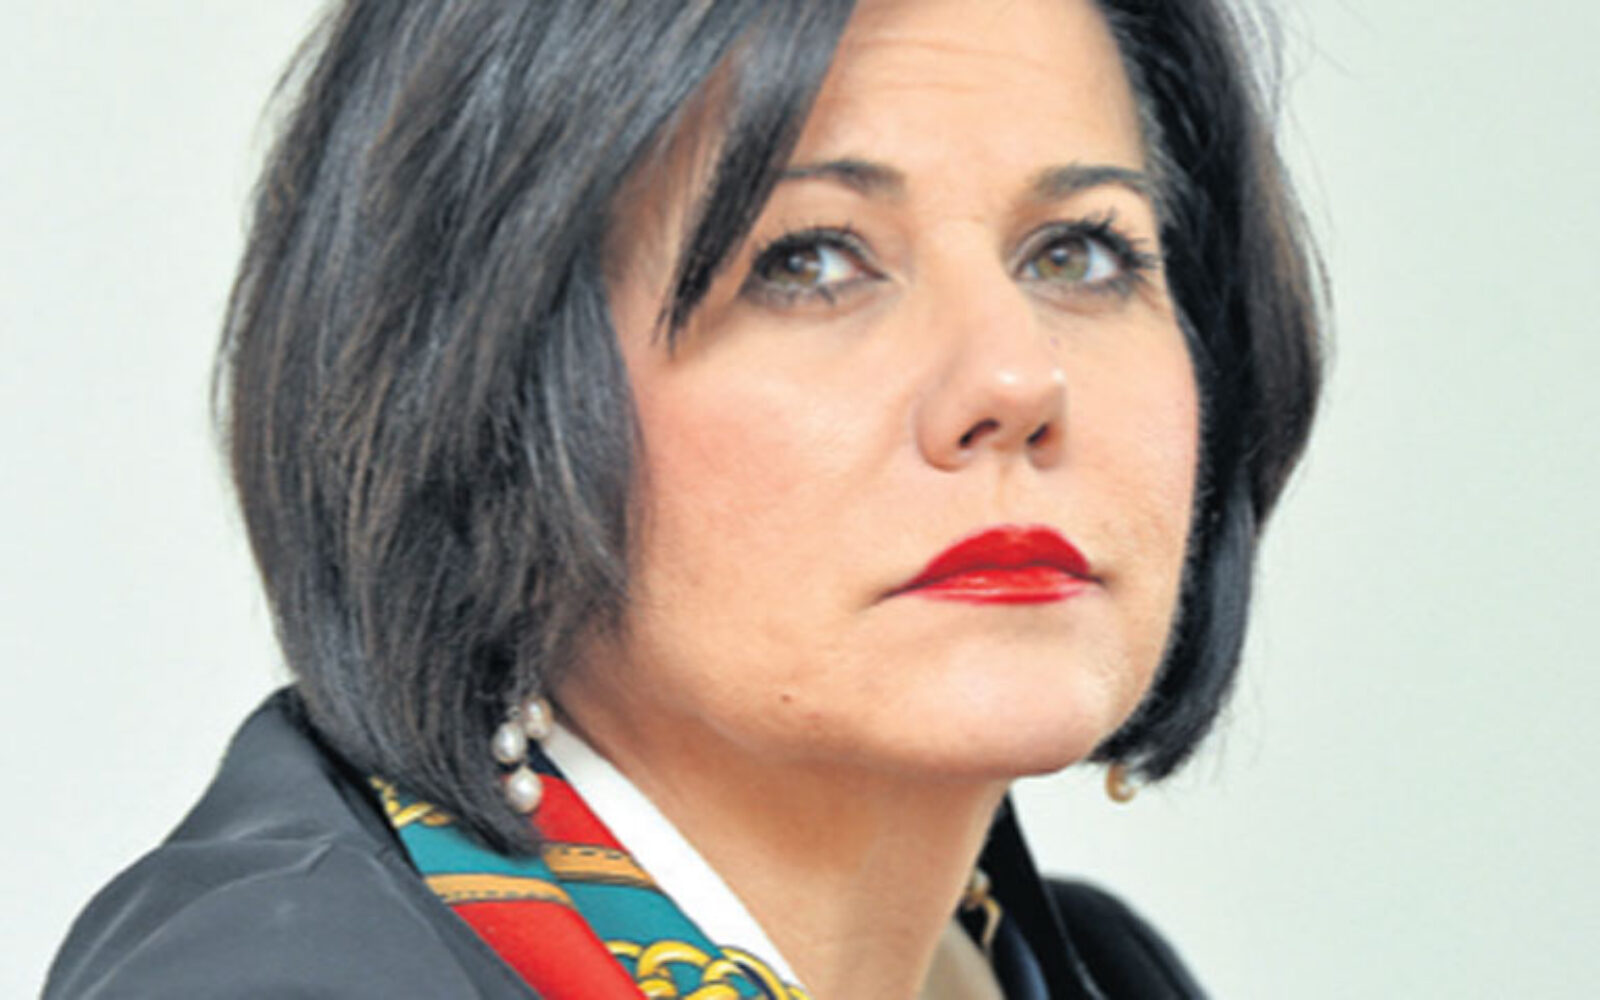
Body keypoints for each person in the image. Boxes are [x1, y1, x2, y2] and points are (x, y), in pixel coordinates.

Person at [45, 0, 1321, 996]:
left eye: (1079, 252)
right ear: (484, 385)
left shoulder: (1097, 970)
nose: (1014, 376)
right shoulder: (279, 979)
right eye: (808, 261)